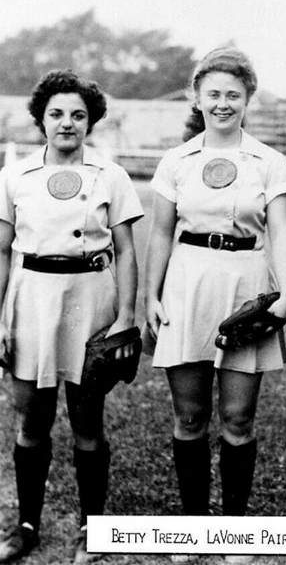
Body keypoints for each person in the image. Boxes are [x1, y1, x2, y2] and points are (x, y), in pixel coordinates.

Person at [144, 48, 286, 535]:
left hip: (247, 281)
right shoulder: (177, 160)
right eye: (214, 94)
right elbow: (162, 233)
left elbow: (284, 234)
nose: (223, 103)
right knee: (189, 417)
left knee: (238, 418)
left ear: (248, 98)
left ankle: (232, 531)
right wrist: (152, 294)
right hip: (188, 282)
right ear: (197, 98)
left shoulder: (268, 161)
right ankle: (193, 528)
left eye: (234, 94)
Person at [0, 70, 143, 563]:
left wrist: (126, 314)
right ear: (41, 118)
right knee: (31, 418)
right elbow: (1, 251)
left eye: (78, 115)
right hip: (33, 297)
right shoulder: (15, 175)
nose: (67, 123)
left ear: (91, 121)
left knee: (87, 419)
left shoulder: (111, 174)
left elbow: (125, 251)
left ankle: (91, 528)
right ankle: (25, 526)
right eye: (57, 114)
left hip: (90, 298)